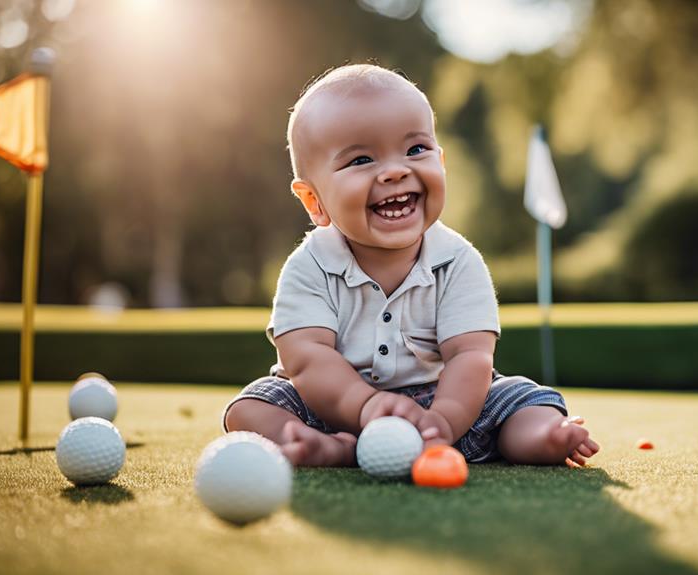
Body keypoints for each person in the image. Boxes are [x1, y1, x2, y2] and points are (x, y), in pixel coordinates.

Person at [222, 63, 599, 468]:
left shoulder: (457, 261)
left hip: (446, 400)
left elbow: (469, 357)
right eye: (362, 159)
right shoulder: (309, 267)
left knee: (524, 398)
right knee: (250, 409)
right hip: (330, 409)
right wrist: (365, 406)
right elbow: (308, 359)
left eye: (416, 150)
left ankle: (540, 438)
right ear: (314, 201)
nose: (397, 170)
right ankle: (332, 448)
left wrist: (443, 420)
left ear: (441, 161)